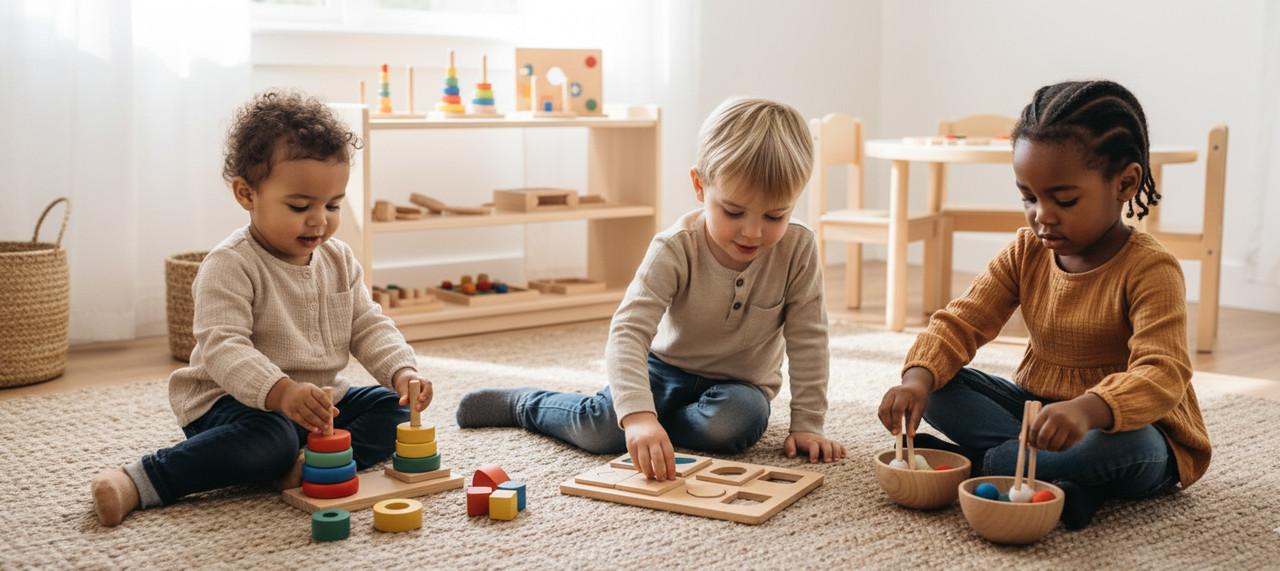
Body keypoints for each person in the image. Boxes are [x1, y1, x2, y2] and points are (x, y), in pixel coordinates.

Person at [878, 80, 1211, 529]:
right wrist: (916, 381)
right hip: (1037, 414)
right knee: (940, 384)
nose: (1042, 214)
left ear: (1125, 183)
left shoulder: (1151, 269)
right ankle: (1049, 478)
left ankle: (981, 464)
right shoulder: (1025, 251)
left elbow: (1162, 373)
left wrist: (1087, 410)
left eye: (1065, 199)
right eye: (1028, 197)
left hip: (1132, 429)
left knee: (1131, 449)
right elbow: (960, 322)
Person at [90, 90, 432, 527]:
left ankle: (309, 463)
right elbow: (223, 348)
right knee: (269, 440)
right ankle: (140, 480)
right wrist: (280, 392)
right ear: (246, 194)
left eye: (333, 205)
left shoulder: (339, 259)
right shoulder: (230, 264)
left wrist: (403, 372)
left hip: (317, 402)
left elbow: (367, 324)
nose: (319, 220)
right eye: (299, 206)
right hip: (231, 403)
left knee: (394, 410)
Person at [456, 97, 846, 479]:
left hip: (738, 387)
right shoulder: (674, 247)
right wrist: (638, 416)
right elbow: (628, 331)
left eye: (776, 215)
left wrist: (809, 423)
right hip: (662, 368)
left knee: (739, 423)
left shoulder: (798, 248)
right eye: (733, 212)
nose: (753, 231)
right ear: (699, 186)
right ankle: (525, 404)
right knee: (604, 429)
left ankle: (657, 426)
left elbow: (809, 338)